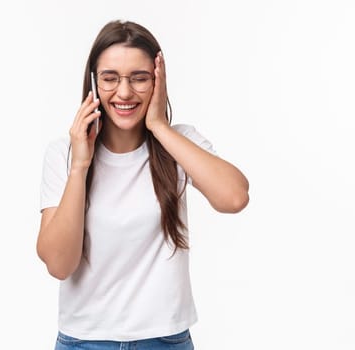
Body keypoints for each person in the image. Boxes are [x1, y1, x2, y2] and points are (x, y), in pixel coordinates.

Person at [37, 20, 249, 349]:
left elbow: (234, 197)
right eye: (110, 78)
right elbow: (59, 264)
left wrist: (159, 126)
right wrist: (80, 165)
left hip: (165, 340)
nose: (124, 92)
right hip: (85, 341)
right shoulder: (63, 154)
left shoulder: (180, 143)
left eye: (139, 78)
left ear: (157, 81)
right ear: (94, 82)